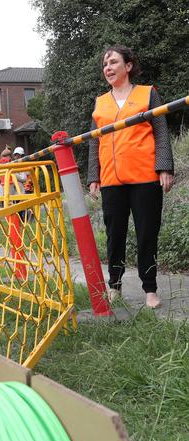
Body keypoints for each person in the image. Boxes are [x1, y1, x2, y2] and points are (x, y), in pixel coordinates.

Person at [88, 45, 174, 309]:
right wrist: (94, 175)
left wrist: (164, 166)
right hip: (112, 179)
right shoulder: (100, 102)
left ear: (128, 66)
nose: (108, 68)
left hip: (145, 176)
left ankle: (150, 290)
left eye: (113, 62)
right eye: (105, 64)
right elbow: (94, 142)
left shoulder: (148, 94)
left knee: (147, 232)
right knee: (115, 234)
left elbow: (160, 130)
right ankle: (114, 285)